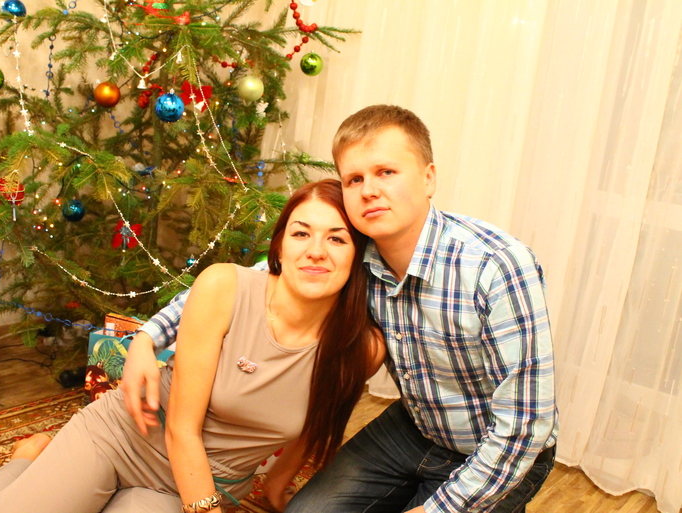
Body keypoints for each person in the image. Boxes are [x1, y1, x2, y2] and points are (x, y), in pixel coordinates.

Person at [128, 105, 558, 512]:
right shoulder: (352, 251)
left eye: (386, 172)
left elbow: (525, 426)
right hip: (417, 428)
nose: (369, 190)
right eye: (354, 179)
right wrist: (149, 337)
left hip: (500, 447)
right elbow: (254, 281)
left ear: (428, 178)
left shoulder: (496, 266)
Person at [0, 179, 385, 513]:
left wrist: (277, 486)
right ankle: (25, 460)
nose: (315, 252)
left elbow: (317, 421)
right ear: (280, 245)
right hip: (123, 438)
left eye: (337, 239)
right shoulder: (225, 287)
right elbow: (183, 429)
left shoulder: (361, 347)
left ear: (359, 255)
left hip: (198, 484)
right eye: (301, 233)